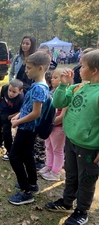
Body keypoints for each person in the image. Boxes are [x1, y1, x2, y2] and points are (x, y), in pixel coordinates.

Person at [45, 49, 99, 225]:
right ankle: (67, 202)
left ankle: (81, 211)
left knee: (87, 180)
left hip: (90, 147)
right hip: (72, 140)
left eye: (82, 66)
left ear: (94, 70)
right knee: (71, 174)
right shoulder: (78, 87)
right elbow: (58, 103)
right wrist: (63, 85)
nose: (78, 69)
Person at [8, 51, 51, 205]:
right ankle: (32, 184)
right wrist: (18, 115)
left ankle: (26, 192)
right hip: (26, 126)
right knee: (27, 156)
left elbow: (36, 113)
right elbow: (28, 108)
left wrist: (18, 122)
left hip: (28, 128)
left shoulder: (40, 88)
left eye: (29, 68)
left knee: (14, 157)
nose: (25, 70)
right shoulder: (37, 85)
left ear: (40, 68)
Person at [39, 68, 68, 181]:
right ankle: (49, 166)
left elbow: (62, 116)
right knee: (48, 147)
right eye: (52, 77)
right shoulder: (51, 92)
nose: (52, 79)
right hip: (49, 127)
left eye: (56, 78)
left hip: (58, 128)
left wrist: (50, 124)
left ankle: (56, 172)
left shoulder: (66, 94)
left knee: (57, 149)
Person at [0, 79, 24, 160]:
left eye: (14, 92)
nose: (10, 93)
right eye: (10, 90)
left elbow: (21, 112)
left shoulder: (21, 99)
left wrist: (10, 117)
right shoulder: (5, 87)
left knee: (7, 133)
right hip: (1, 111)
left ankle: (9, 151)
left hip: (10, 115)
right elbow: (0, 95)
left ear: (20, 91)